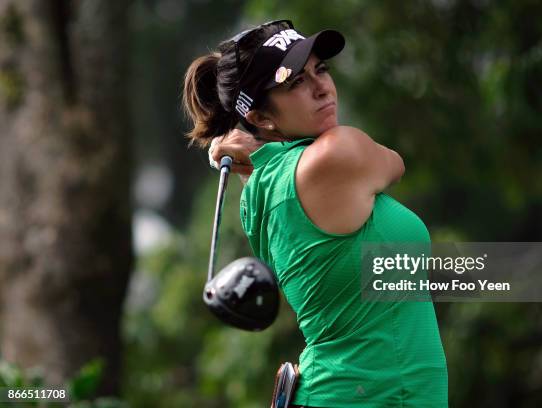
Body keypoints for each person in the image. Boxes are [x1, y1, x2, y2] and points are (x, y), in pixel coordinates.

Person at [182, 19, 448, 408]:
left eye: (320, 69)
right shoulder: (334, 154)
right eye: (295, 82)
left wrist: (248, 148)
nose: (322, 87)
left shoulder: (258, 187)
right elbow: (394, 163)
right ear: (258, 118)